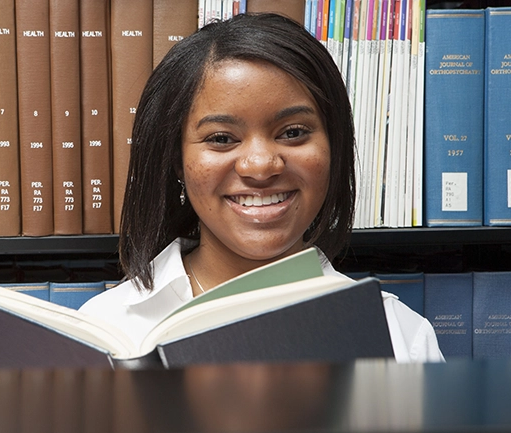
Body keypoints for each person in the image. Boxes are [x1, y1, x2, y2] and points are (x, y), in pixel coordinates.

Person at [79, 13, 444, 363]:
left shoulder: (401, 336)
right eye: (222, 138)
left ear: (334, 146)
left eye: (293, 133)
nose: (260, 165)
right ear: (177, 159)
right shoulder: (102, 329)